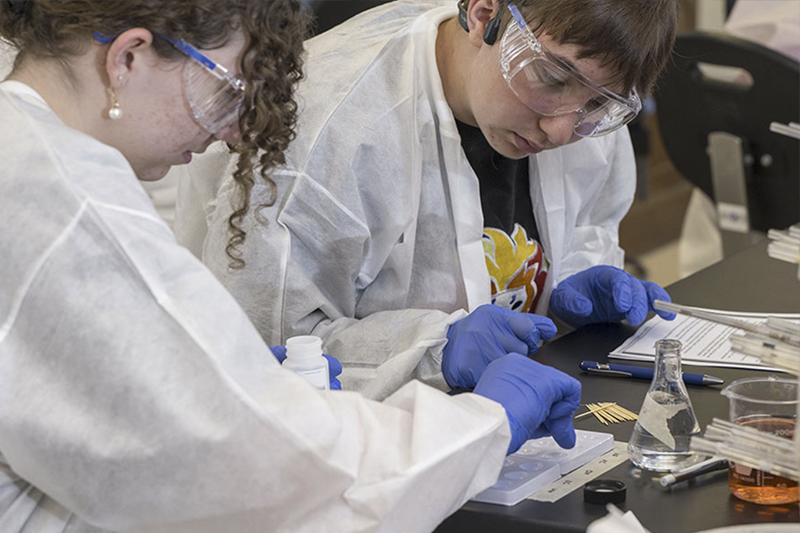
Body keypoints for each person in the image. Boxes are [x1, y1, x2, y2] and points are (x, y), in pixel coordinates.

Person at [0, 1, 583, 532]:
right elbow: (273, 483)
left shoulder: (25, 151)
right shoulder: (72, 212)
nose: (232, 129)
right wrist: (481, 425)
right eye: (227, 93)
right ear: (127, 57)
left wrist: (240, 381)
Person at [176, 0, 678, 399]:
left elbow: (586, 224)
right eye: (550, 79)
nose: (561, 128)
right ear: (485, 15)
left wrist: (569, 293)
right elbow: (270, 349)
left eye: (597, 105)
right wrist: (436, 351)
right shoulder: (328, 134)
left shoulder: (583, 107)